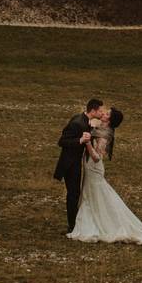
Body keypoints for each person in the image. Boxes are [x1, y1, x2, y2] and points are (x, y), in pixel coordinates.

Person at [67, 108, 142, 248]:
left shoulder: (105, 134)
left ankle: (101, 223)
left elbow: (97, 157)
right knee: (92, 194)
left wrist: (88, 143)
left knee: (97, 194)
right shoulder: (100, 126)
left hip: (93, 167)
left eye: (107, 114)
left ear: (109, 120)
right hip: (88, 166)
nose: (104, 114)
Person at [54, 99, 105, 233]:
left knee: (75, 193)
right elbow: (62, 141)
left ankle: (75, 223)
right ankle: (72, 226)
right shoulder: (77, 122)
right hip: (70, 164)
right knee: (73, 194)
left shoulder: (85, 120)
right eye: (100, 110)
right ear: (93, 111)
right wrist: (81, 140)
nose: (102, 112)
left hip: (76, 163)